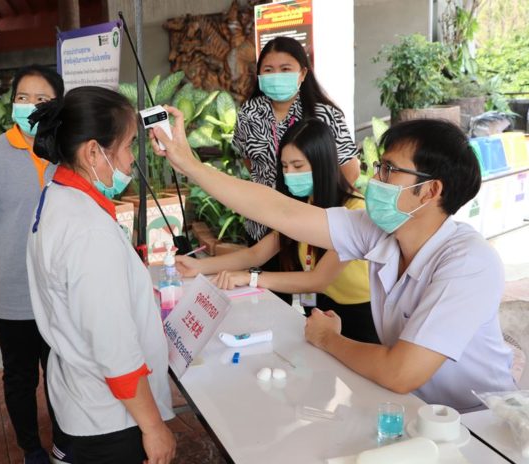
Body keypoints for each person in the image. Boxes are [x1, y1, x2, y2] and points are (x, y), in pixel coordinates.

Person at [151, 107, 516, 412]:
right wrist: (191, 167)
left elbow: (400, 372)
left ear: (432, 190)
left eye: (390, 170)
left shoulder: (468, 263)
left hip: (480, 426)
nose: (377, 180)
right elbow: (280, 212)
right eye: (379, 167)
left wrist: (327, 338)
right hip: (417, 410)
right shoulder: (380, 230)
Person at [25, 86, 176, 463]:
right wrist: (154, 427)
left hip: (82, 400)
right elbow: (115, 350)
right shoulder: (87, 230)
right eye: (126, 147)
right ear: (93, 152)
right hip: (111, 419)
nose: (130, 162)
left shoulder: (55, 193)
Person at [176, 119, 377, 343]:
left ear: (323, 164)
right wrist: (198, 266)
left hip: (362, 319)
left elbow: (317, 280)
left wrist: (250, 278)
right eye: (284, 166)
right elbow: (256, 254)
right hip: (323, 313)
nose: (289, 173)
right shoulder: (306, 204)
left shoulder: (354, 210)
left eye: (298, 166)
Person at [0, 65, 71, 464]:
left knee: (61, 371)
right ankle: (30, 447)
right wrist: (1, 253)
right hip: (12, 291)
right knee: (21, 376)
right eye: (23, 97)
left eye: (41, 99)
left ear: (57, 105)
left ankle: (64, 441)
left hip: (61, 289)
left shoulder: (67, 152)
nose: (30, 105)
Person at [233, 36, 360, 246]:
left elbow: (350, 170)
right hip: (263, 223)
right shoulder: (249, 112)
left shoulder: (325, 114)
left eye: (285, 69)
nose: (276, 76)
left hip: (312, 224)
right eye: (268, 70)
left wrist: (319, 203)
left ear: (302, 73)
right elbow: (249, 160)